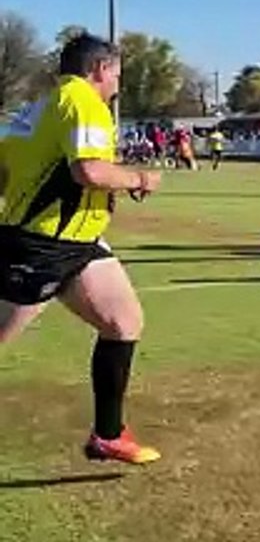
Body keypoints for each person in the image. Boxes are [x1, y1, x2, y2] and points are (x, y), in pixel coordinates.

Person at [0, 33, 163, 464]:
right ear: (99, 69)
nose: (117, 85)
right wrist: (140, 180)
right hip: (42, 246)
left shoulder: (37, 109)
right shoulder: (84, 102)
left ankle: (107, 435)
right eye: (116, 75)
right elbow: (88, 170)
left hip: (80, 243)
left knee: (124, 321)